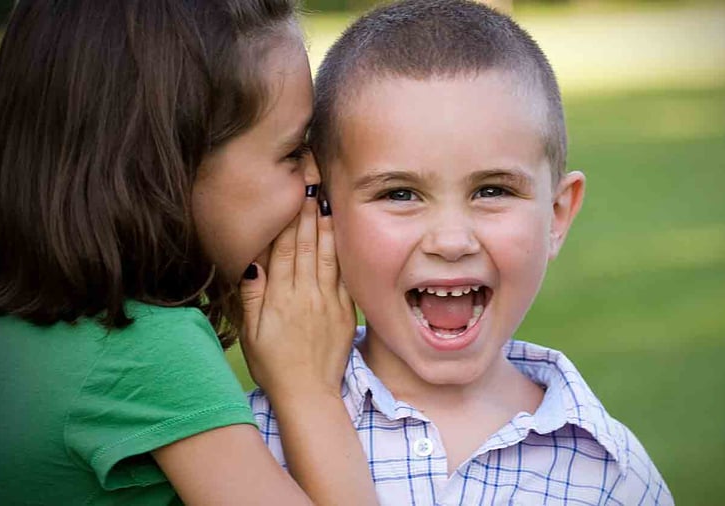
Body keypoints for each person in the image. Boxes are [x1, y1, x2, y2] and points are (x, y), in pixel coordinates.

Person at [249, 0, 675, 504]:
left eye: (492, 191)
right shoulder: (254, 441)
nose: (451, 241)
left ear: (557, 215)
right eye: (400, 194)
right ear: (323, 208)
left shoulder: (612, 475)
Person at [0, 0, 377, 504]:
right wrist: (307, 387)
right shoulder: (143, 351)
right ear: (164, 170)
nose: (316, 175)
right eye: (293, 152)